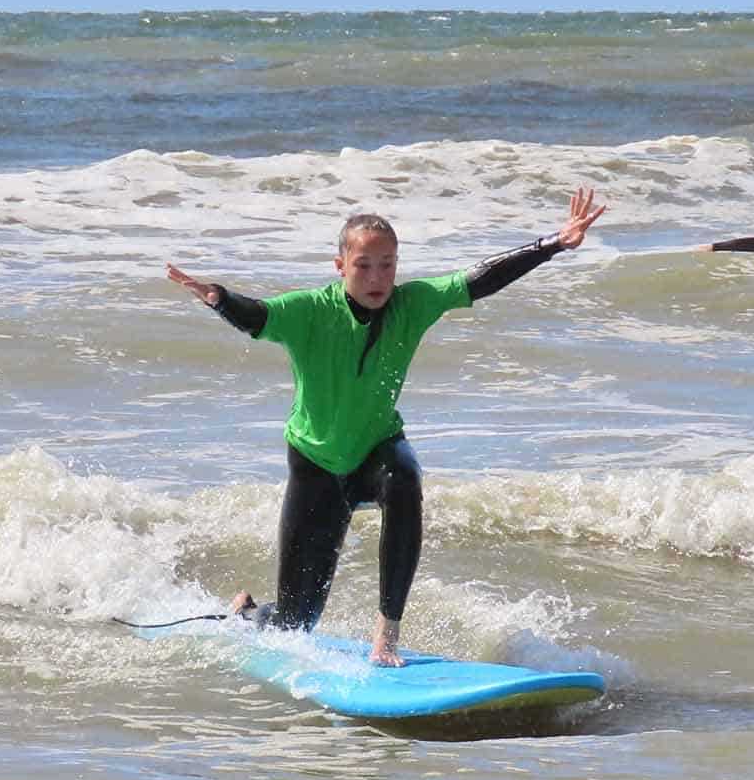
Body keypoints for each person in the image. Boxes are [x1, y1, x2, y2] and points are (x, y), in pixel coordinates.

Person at [165, 187, 607, 666]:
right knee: (293, 623)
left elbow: (480, 279)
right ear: (340, 266)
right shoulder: (311, 310)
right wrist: (219, 299)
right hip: (316, 464)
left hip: (378, 447)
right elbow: (261, 316)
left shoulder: (412, 304)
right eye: (364, 265)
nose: (378, 277)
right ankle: (247, 611)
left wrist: (553, 245)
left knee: (403, 478)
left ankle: (386, 634)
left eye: (388, 264)